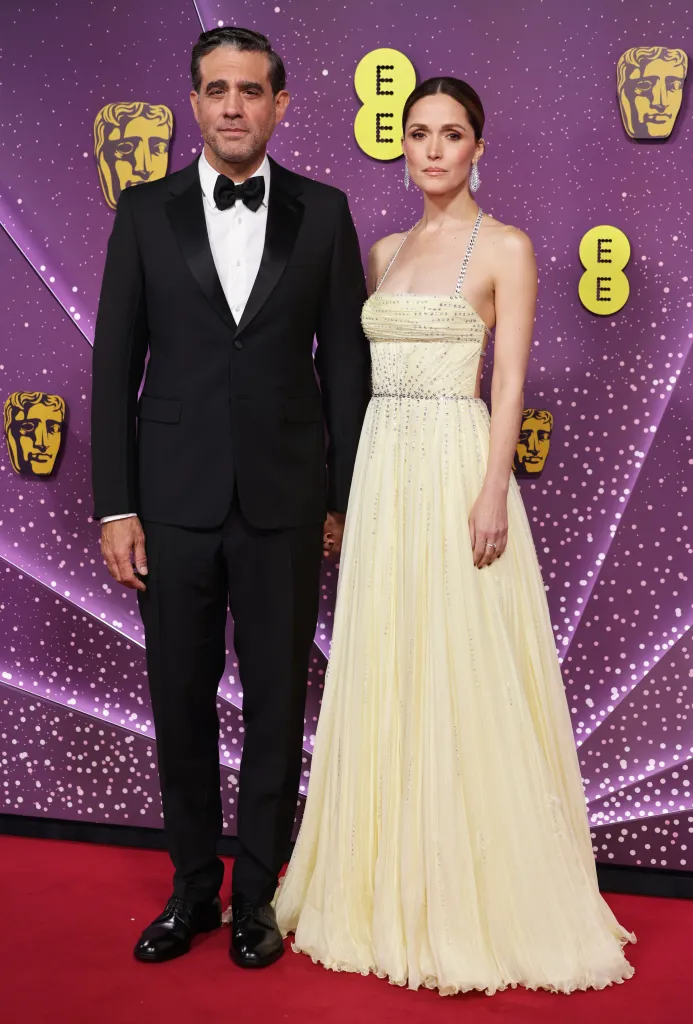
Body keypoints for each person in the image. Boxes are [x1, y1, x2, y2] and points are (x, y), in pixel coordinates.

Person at [275, 77, 636, 995]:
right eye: (418, 134)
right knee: (389, 658)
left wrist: (491, 491)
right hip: (383, 466)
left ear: (478, 146)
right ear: (402, 146)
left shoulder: (506, 246)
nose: (432, 150)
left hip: (454, 465)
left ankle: (475, 896)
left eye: (451, 134)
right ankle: (382, 883)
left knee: (461, 660)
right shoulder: (384, 249)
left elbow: (507, 381)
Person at [91, 26, 370, 967]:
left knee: (276, 706)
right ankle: (190, 890)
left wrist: (344, 497)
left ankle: (256, 896)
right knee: (178, 699)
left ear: (279, 104)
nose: (233, 106)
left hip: (287, 504)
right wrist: (115, 506)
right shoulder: (144, 210)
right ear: (195, 103)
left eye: (250, 90)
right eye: (216, 90)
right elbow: (114, 365)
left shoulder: (324, 212)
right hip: (169, 503)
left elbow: (345, 370)